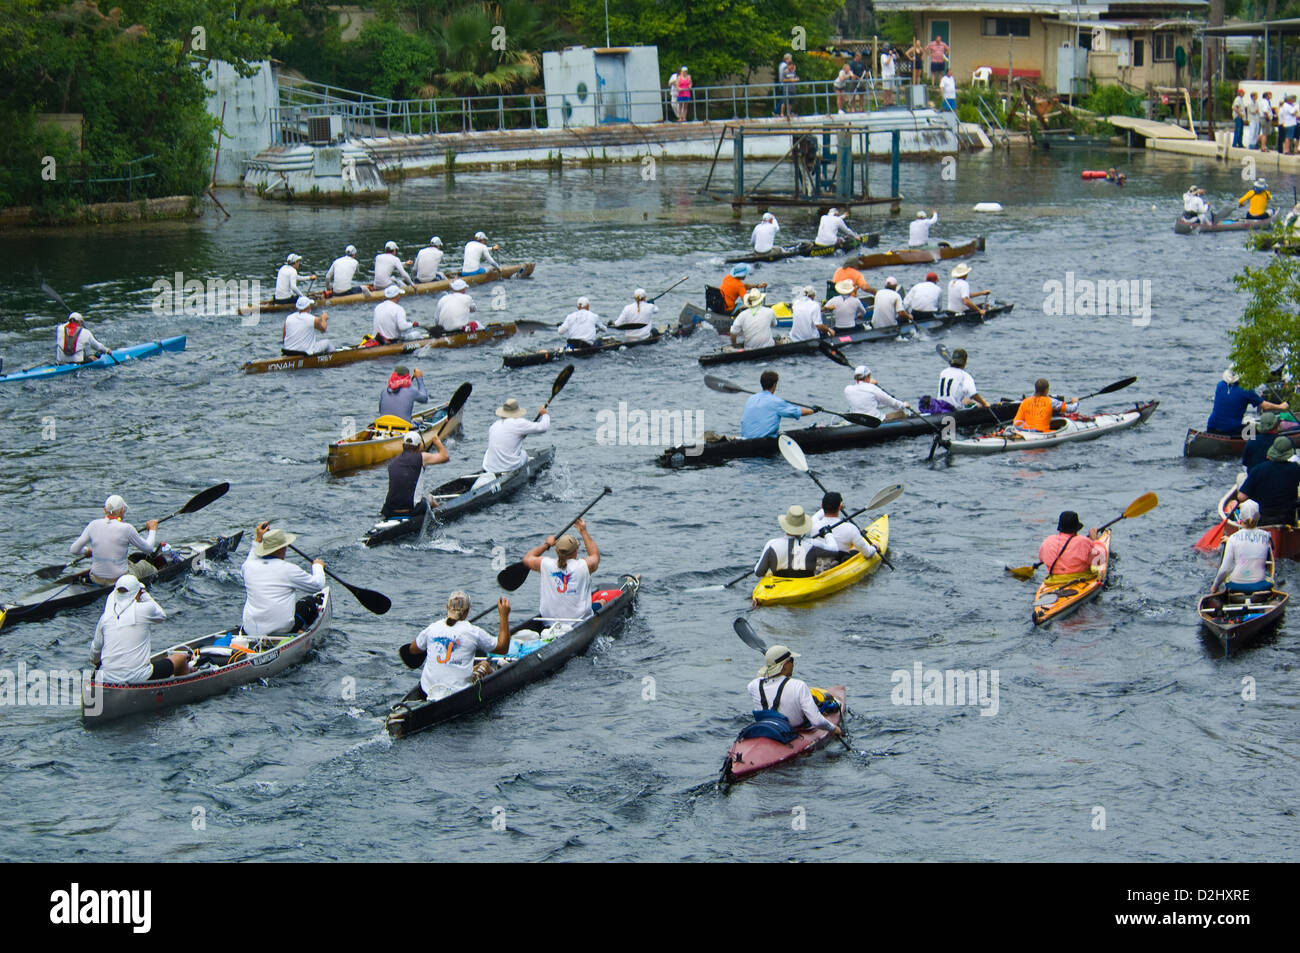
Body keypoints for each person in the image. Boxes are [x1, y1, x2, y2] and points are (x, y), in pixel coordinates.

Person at [408, 593, 512, 701]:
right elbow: (503, 648)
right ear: (467, 611)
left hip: (427, 691)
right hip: (457, 693)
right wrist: (503, 615)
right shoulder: (473, 632)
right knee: (485, 665)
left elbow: (412, 649)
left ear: (447, 606)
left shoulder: (431, 629)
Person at [90, 576, 185, 683]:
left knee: (99, 665)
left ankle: (95, 696)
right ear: (137, 593)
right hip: (139, 677)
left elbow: (94, 653)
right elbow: (161, 615)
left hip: (108, 678)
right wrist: (144, 594)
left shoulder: (105, 617)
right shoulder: (145, 609)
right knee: (181, 658)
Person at [240, 523, 325, 637]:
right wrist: (318, 566)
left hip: (250, 629)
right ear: (282, 548)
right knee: (309, 602)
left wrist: (258, 539)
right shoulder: (289, 569)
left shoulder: (248, 567)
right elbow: (317, 585)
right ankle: (297, 632)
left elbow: (251, 557)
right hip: (281, 630)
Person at [746, 644, 842, 738]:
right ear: (784, 665)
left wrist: (770, 666)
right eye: (791, 660)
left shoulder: (753, 685)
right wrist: (833, 728)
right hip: (793, 732)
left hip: (764, 728)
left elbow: (762, 677)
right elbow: (817, 721)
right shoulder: (799, 686)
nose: (793, 664)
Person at [522, 518, 601, 622]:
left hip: (548, 622)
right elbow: (595, 555)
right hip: (578, 620)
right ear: (576, 551)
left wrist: (546, 545)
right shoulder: (583, 566)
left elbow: (527, 559)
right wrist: (583, 531)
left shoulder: (545, 564)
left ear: (556, 550)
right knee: (602, 602)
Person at [70, 495, 159, 585]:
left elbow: (74, 550)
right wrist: (152, 529)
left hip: (95, 578)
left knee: (127, 561)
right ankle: (159, 576)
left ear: (105, 510)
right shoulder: (127, 528)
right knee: (144, 565)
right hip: (119, 580)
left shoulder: (93, 525)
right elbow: (148, 549)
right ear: (122, 510)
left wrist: (87, 550)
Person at [753, 505, 842, 578]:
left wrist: (758, 563)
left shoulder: (771, 544)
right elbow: (835, 550)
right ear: (803, 526)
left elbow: (759, 572)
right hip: (805, 583)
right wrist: (828, 534)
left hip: (780, 585)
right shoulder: (812, 544)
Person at [1232, 437, 1300, 526]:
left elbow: (1242, 497)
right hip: (1288, 519)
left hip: (1263, 520)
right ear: (1289, 454)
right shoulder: (1296, 468)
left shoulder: (1258, 470)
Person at [382, 430, 449, 518]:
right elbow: (445, 457)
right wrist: (436, 441)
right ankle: (440, 516)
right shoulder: (422, 457)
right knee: (430, 498)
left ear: (403, 446)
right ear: (419, 447)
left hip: (389, 510)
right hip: (411, 510)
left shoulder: (392, 462)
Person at [1213, 500, 1275, 593]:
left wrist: (1215, 585)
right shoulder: (1267, 536)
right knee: (1271, 580)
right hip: (1259, 584)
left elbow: (1225, 569)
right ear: (1258, 517)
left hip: (1235, 585)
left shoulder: (1233, 538)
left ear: (1240, 518)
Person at [1206, 368, 1288, 435]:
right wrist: (1281, 406)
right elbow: (1265, 406)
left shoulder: (1220, 385)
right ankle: (1250, 447)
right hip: (1231, 429)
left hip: (1211, 426)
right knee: (1254, 430)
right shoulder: (1246, 390)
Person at [481, 397, 549, 476]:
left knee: (488, 452)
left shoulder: (494, 425)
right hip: (509, 467)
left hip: (490, 468)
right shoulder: (519, 423)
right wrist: (544, 414)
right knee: (523, 453)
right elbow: (544, 427)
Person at [740, 370, 816, 439]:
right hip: (762, 442)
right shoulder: (776, 402)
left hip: (745, 438)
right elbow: (797, 412)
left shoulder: (751, 398)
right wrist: (813, 410)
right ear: (774, 385)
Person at [1037, 512, 1105, 577]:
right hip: (1080, 578)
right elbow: (1100, 560)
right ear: (1076, 529)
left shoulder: (1048, 541)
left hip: (1053, 581)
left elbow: (1041, 559)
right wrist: (1095, 540)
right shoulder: (1082, 541)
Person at [812, 491, 877, 557]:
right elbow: (868, 554)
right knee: (855, 549)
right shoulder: (851, 528)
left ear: (821, 506)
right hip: (839, 562)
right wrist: (875, 547)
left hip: (818, 562)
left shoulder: (813, 524)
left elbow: (819, 514)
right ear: (840, 506)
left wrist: (828, 505)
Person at [933, 347, 991, 413]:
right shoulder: (965, 376)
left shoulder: (943, 372)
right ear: (965, 362)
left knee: (967, 401)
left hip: (940, 407)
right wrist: (984, 403)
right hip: (954, 411)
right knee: (980, 403)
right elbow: (973, 394)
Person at [1013, 378, 1078, 432]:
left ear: (1036, 389)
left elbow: (1016, 423)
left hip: (1027, 432)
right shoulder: (1051, 401)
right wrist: (1075, 402)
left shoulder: (1025, 402)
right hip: (1042, 433)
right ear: (1046, 390)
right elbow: (1072, 409)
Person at [777, 53, 798, 119]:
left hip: (787, 85)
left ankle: (787, 113)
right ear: (787, 59)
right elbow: (787, 75)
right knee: (784, 100)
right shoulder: (785, 66)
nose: (791, 60)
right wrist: (793, 71)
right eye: (790, 58)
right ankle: (780, 112)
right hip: (785, 85)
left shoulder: (781, 65)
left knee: (787, 100)